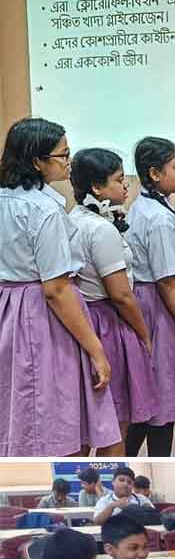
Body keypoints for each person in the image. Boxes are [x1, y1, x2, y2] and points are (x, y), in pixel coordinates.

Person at [0, 116, 119, 456]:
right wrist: (96, 350)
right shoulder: (43, 210)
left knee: (16, 404)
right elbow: (56, 288)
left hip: (8, 308)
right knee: (52, 412)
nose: (69, 162)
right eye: (63, 155)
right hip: (39, 315)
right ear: (37, 161)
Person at [124, 136, 175, 457]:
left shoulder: (150, 206)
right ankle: (155, 465)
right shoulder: (158, 219)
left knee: (151, 400)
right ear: (155, 174)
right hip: (161, 309)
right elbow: (166, 282)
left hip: (156, 302)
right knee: (163, 399)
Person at [69, 147, 156, 444]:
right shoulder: (100, 229)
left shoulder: (74, 218)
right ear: (97, 187)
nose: (125, 185)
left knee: (85, 423)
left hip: (84, 319)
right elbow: (121, 295)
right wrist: (144, 334)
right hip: (107, 321)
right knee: (117, 421)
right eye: (119, 179)